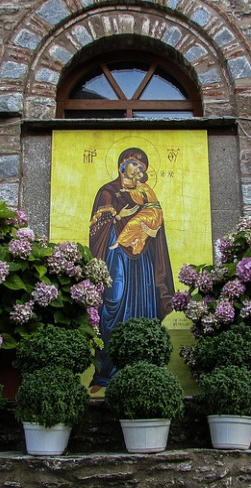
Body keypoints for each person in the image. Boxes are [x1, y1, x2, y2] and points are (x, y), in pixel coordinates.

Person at [89, 148, 175, 389]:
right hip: (115, 256)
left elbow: (156, 225)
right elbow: (97, 229)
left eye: (142, 168)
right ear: (121, 166)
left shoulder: (146, 194)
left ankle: (145, 370)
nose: (139, 170)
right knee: (112, 303)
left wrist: (148, 225)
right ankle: (105, 372)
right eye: (135, 165)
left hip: (143, 261)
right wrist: (118, 217)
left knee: (143, 307)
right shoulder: (107, 192)